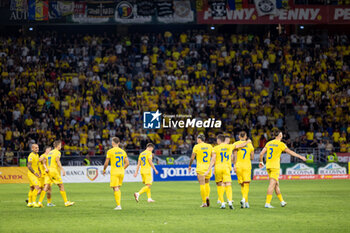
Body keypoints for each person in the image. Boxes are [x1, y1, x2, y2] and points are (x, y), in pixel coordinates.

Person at [259, 131, 306, 208]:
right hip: (275, 166)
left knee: (276, 184)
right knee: (272, 184)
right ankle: (267, 203)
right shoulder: (281, 144)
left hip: (268, 166)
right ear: (280, 135)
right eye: (281, 134)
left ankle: (282, 201)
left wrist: (261, 162)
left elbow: (261, 154)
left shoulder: (269, 143)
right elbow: (290, 152)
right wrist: (300, 157)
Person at [39, 140, 74, 207]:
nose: (61, 146)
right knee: (61, 186)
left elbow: (44, 161)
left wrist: (46, 168)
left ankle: (40, 202)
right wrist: (62, 169)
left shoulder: (50, 153)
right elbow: (57, 160)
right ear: (58, 146)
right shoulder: (57, 152)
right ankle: (66, 202)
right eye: (60, 145)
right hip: (53, 171)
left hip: (48, 171)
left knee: (46, 186)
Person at [103, 137, 129, 210]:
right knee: (117, 188)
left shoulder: (110, 151)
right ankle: (118, 204)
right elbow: (127, 163)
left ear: (112, 143)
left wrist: (104, 169)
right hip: (121, 172)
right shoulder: (123, 151)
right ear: (119, 143)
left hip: (114, 172)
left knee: (116, 188)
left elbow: (106, 163)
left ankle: (119, 205)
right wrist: (122, 168)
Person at [188, 134, 213, 207]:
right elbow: (213, 157)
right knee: (207, 183)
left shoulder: (196, 146)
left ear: (199, 139)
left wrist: (190, 165)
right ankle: (207, 196)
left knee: (202, 184)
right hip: (208, 168)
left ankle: (204, 202)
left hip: (200, 168)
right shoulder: (209, 146)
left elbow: (192, 157)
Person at [232, 131, 254, 208]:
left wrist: (234, 165)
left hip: (238, 166)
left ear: (239, 136)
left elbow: (234, 156)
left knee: (242, 185)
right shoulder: (250, 145)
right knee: (246, 184)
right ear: (245, 136)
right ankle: (244, 199)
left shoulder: (235, 144)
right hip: (247, 165)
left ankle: (246, 203)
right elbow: (252, 157)